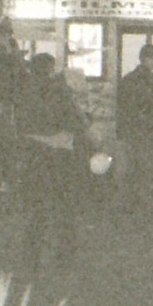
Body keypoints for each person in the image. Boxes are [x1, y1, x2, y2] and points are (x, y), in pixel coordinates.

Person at [16, 52, 92, 277]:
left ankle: (32, 256)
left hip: (34, 154)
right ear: (51, 68)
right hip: (59, 155)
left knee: (37, 207)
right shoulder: (59, 90)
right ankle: (63, 256)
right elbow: (75, 120)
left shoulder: (25, 90)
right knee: (64, 207)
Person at [115, 40, 153, 214]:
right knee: (145, 167)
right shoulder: (149, 80)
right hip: (145, 130)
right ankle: (142, 203)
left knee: (133, 166)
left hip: (131, 129)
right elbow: (152, 104)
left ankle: (130, 202)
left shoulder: (129, 79)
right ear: (146, 59)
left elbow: (121, 106)